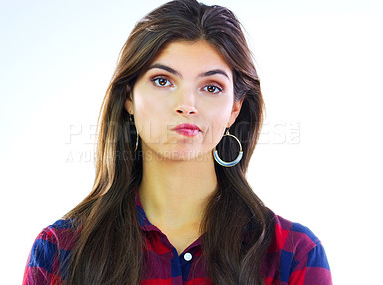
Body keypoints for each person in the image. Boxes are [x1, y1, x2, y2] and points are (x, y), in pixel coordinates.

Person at [23, 0, 332, 284]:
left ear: (234, 110)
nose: (187, 104)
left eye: (211, 87)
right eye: (162, 81)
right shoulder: (59, 251)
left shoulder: (294, 254)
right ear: (129, 96)